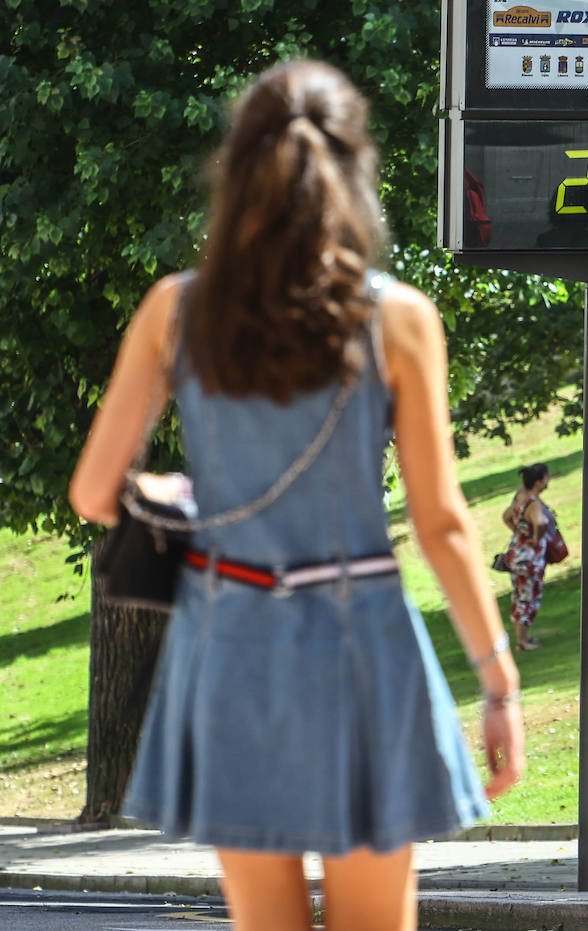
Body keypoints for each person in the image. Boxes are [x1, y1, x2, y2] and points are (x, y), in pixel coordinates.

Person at [67, 61, 524, 930]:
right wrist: (498, 683)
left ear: (236, 174)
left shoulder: (176, 312)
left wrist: (190, 487)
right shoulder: (397, 318)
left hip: (228, 644)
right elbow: (441, 523)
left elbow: (95, 490)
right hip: (362, 643)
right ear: (355, 170)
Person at [501, 462, 556, 650]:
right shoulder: (533, 503)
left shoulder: (520, 497)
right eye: (547, 477)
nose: (548, 481)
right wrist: (535, 538)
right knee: (529, 597)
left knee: (519, 596)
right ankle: (522, 642)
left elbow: (506, 516)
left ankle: (523, 637)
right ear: (539, 482)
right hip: (530, 558)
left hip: (516, 553)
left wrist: (519, 533)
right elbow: (540, 524)